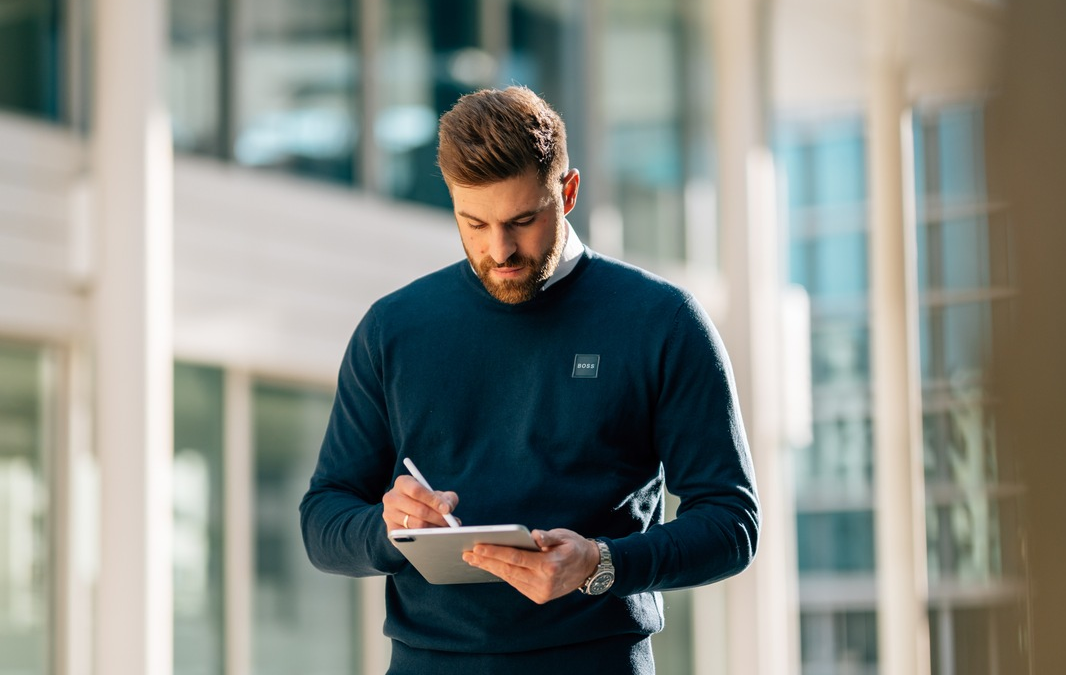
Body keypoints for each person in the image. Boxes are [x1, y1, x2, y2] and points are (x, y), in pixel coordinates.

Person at [300, 86, 759, 674]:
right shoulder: (393, 329)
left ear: (567, 192)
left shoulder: (661, 322)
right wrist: (389, 529)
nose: (501, 249)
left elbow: (731, 522)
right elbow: (322, 520)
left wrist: (600, 563)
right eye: (475, 222)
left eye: (522, 220)